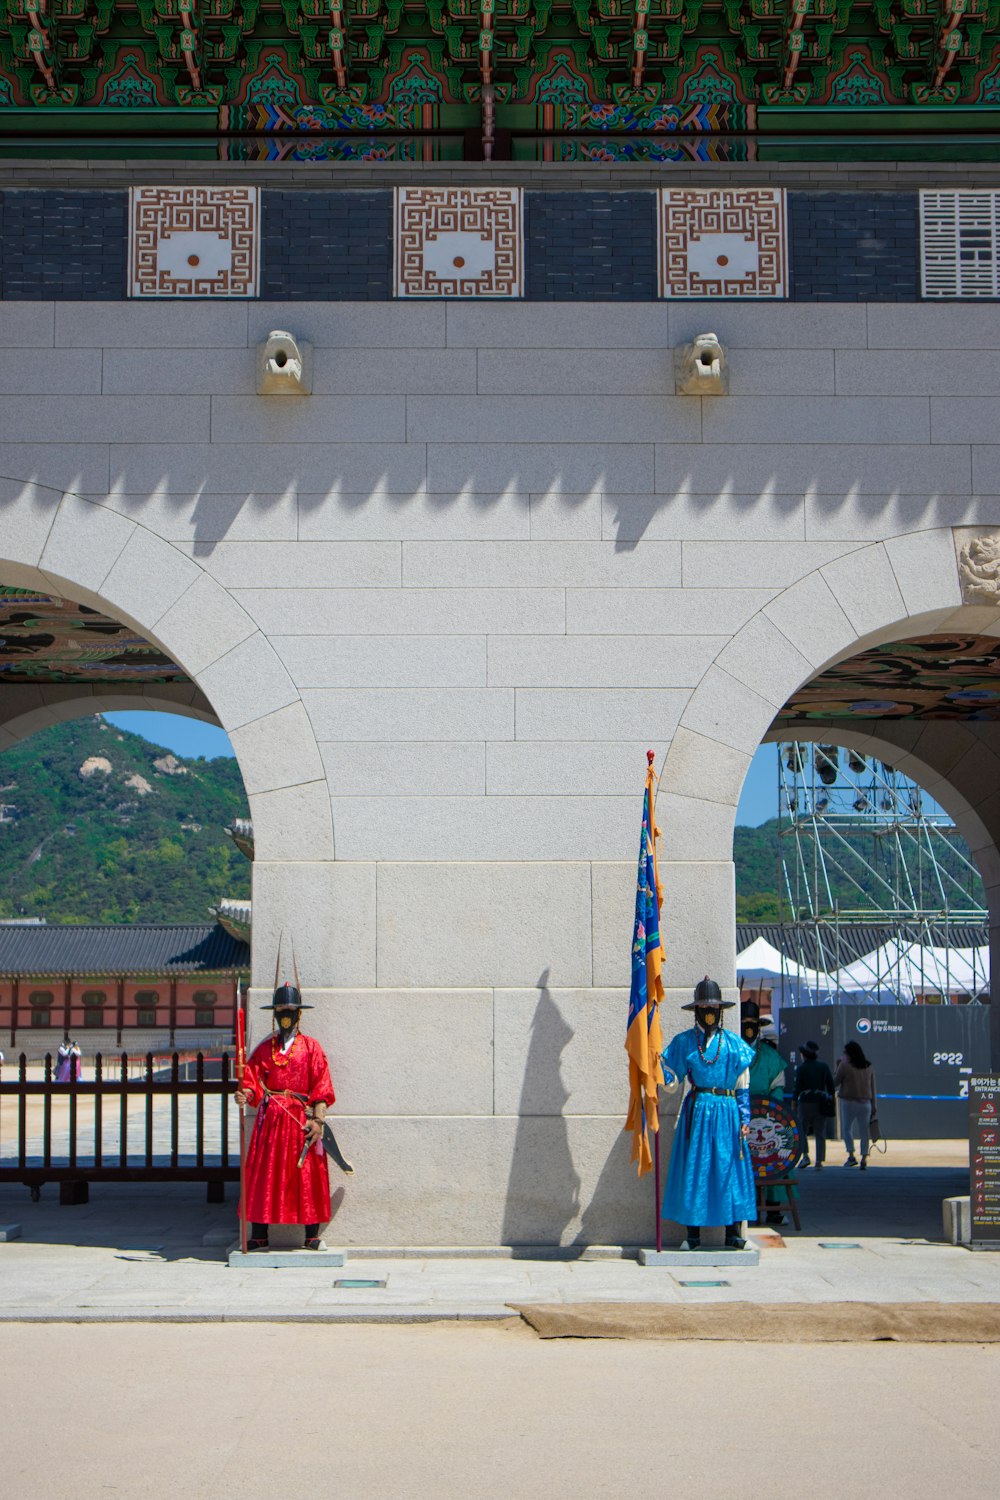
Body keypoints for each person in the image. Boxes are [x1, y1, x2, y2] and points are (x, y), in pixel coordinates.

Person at [233, 980, 337, 1251]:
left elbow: (322, 1088)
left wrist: (318, 1120)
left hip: (301, 1120)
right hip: (270, 1121)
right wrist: (246, 1093)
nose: (285, 1015)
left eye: (289, 1009)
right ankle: (259, 1233)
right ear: (274, 1014)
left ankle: (311, 1235)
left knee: (306, 1174)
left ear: (299, 1013)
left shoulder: (312, 1048)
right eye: (280, 1010)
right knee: (264, 1174)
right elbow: (253, 1080)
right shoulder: (266, 1049)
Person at [660, 977, 757, 1251]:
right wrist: (658, 1069)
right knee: (697, 1169)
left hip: (728, 1113)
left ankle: (734, 1233)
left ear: (721, 1010)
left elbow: (743, 1086)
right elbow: (671, 1082)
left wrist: (745, 1119)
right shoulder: (684, 1043)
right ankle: (693, 1235)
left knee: (729, 1169)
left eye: (713, 1007)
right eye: (704, 1007)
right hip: (699, 1111)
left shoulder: (735, 1045)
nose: (709, 1012)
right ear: (696, 1011)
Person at [834, 1040, 877, 1169]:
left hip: (848, 1102)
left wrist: (837, 1066)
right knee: (864, 1131)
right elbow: (873, 1088)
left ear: (849, 1053)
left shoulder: (844, 1065)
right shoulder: (869, 1066)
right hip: (866, 1103)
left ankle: (851, 1156)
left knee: (847, 1129)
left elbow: (835, 1083)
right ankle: (864, 1158)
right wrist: (874, 1105)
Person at [793, 1040, 836, 1169]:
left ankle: (805, 1156)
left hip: (805, 1103)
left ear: (804, 1055)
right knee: (820, 1133)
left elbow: (797, 1087)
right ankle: (819, 1161)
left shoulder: (801, 1069)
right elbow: (831, 1087)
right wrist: (831, 1101)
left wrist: (794, 1102)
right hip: (820, 1103)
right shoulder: (823, 1067)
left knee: (802, 1131)